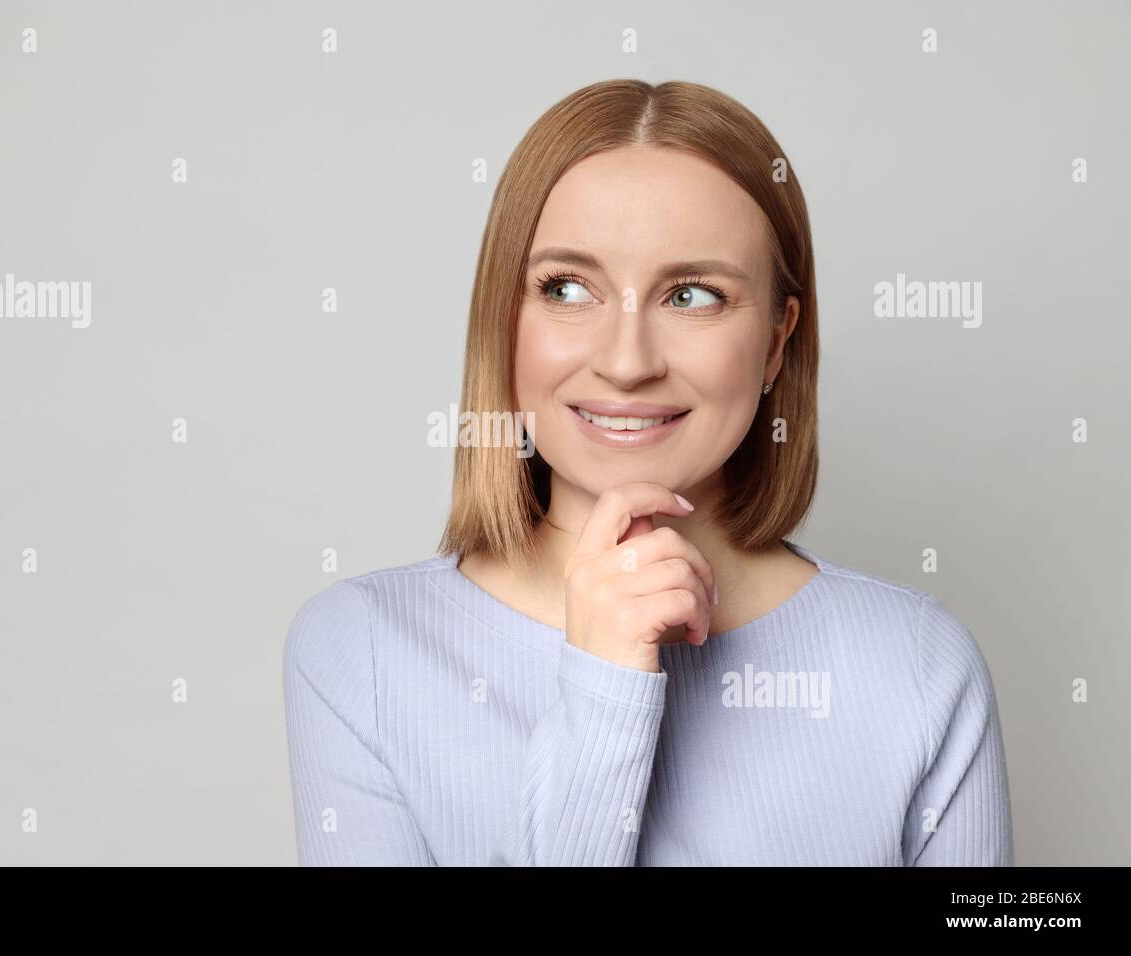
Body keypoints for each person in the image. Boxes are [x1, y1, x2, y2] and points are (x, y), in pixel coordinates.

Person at [282, 79, 1014, 866]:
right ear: (505, 318)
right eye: (567, 288)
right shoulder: (362, 653)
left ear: (775, 342)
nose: (626, 364)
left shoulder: (918, 665)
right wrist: (603, 690)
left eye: (693, 295)